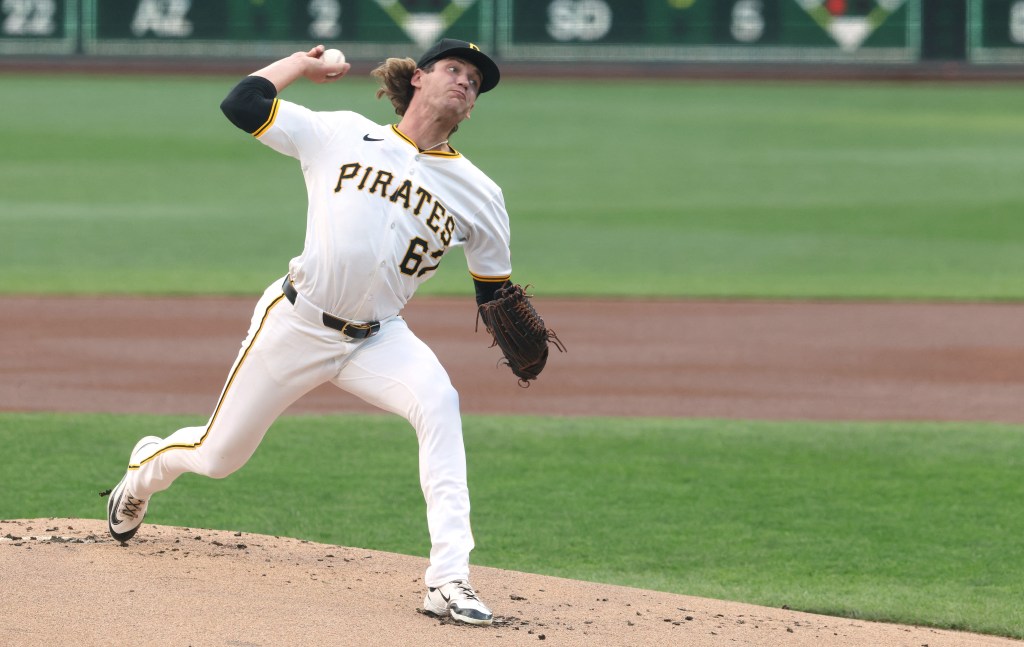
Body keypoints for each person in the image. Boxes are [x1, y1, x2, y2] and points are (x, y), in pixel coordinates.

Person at [104, 38, 513, 626]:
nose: (465, 83)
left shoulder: (481, 193)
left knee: (440, 404)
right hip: (297, 322)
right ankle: (144, 470)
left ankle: (449, 580)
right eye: (454, 69)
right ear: (419, 79)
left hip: (380, 337)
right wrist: (302, 65)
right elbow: (243, 103)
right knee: (218, 456)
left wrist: (515, 332)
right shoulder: (342, 133)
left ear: (472, 108)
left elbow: (495, 292)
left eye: (475, 82)